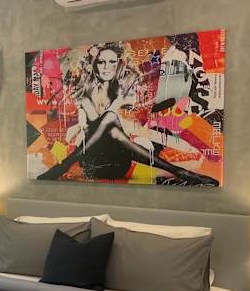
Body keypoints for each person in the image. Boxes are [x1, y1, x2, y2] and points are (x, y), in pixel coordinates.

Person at [37, 43, 219, 187]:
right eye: (102, 62)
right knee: (111, 124)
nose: (107, 67)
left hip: (119, 160)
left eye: (112, 62)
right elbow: (89, 129)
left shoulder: (124, 93)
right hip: (93, 161)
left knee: (112, 124)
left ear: (118, 64)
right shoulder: (84, 94)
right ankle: (180, 172)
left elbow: (127, 121)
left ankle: (62, 166)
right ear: (95, 64)